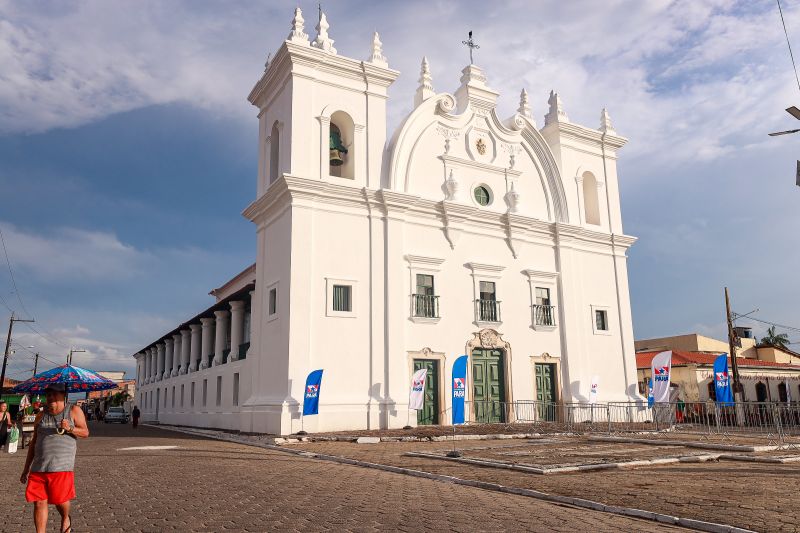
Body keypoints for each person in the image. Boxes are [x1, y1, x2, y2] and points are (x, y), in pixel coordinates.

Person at [20, 383, 89, 533]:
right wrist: (26, 469)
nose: (50, 397)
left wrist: (70, 428)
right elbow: (33, 443)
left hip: (61, 467)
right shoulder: (40, 415)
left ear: (63, 395)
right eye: (48, 394)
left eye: (54, 394)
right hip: (38, 467)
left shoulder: (74, 410)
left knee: (60, 500)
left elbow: (85, 432)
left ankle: (65, 518)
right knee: (38, 503)